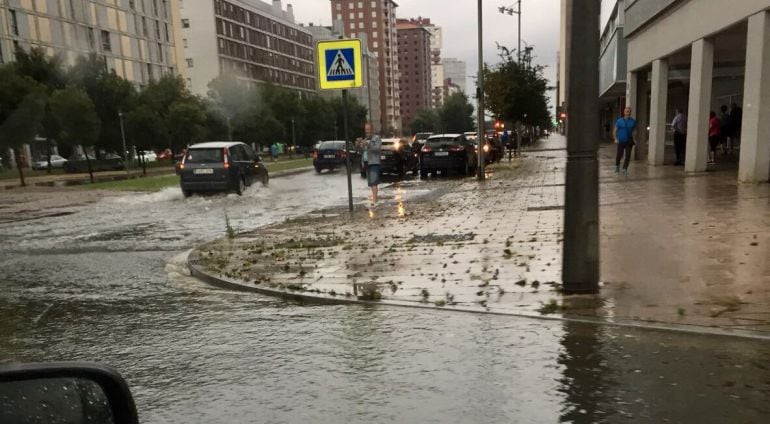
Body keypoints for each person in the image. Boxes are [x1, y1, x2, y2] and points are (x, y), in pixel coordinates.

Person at [360, 123, 382, 204]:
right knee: (371, 183)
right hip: (367, 163)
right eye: (366, 129)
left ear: (372, 130)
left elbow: (377, 149)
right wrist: (359, 145)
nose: (367, 131)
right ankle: (375, 199)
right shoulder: (365, 139)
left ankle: (375, 200)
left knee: (374, 182)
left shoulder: (377, 138)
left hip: (374, 163)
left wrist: (368, 144)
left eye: (368, 129)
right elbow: (362, 152)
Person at [613, 106, 638, 175]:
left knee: (628, 156)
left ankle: (624, 169)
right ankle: (617, 166)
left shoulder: (633, 121)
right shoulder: (619, 121)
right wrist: (615, 138)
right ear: (624, 112)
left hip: (629, 141)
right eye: (627, 111)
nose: (628, 113)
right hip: (621, 141)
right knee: (619, 155)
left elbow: (634, 131)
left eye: (629, 111)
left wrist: (635, 139)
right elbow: (615, 130)